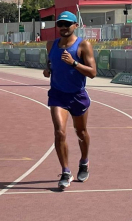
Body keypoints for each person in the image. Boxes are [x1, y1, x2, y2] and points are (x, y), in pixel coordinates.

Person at [43, 11, 96, 190]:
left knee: (81, 132)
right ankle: (65, 171)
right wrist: (47, 70)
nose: (64, 27)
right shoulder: (51, 45)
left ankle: (84, 162)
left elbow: (93, 73)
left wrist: (73, 63)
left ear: (75, 25)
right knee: (60, 132)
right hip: (58, 94)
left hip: (78, 95)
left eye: (68, 24)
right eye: (61, 24)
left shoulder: (83, 45)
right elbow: (50, 63)